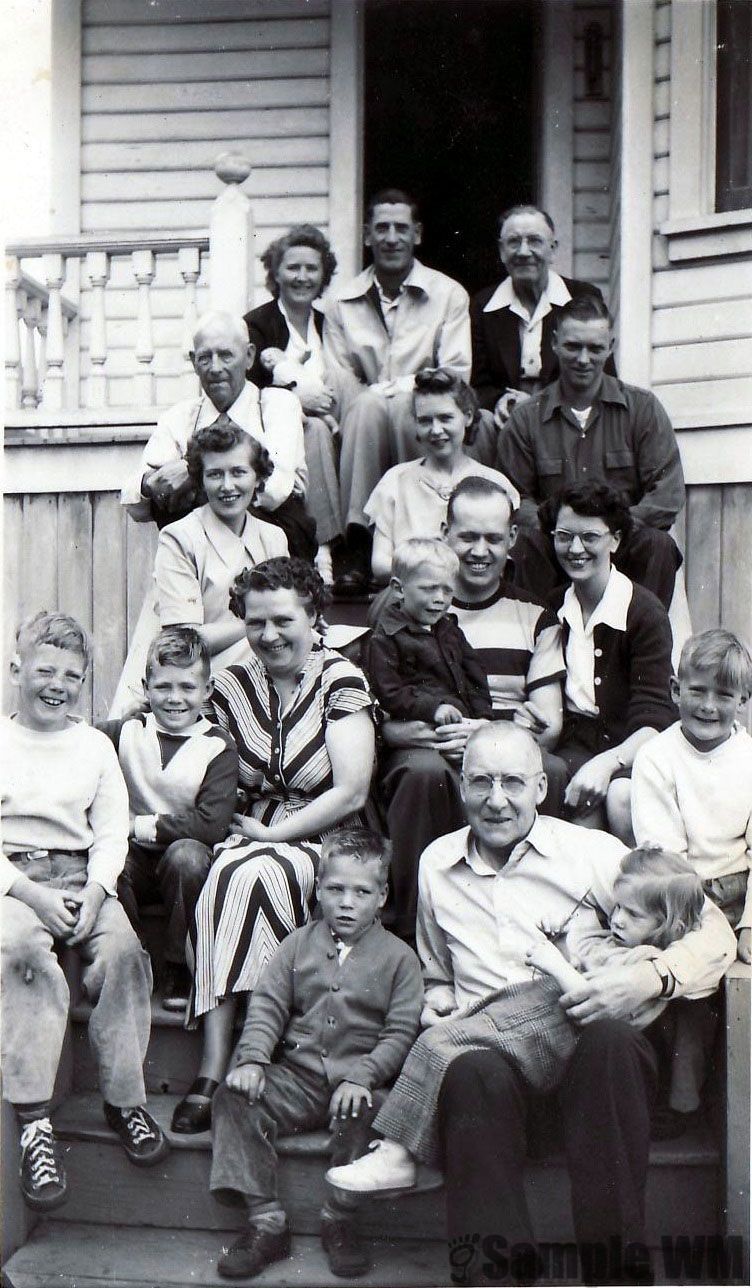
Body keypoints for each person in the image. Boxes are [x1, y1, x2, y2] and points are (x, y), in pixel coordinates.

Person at [332, 723, 736, 1286]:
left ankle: (616, 1271)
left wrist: (653, 978)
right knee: (470, 1071)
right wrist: (438, 1001)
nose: (496, 799)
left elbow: (713, 931)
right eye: (481, 783)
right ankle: (494, 1278)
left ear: (541, 787)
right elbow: (435, 969)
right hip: (495, 1080)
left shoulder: (591, 853)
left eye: (513, 782)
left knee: (612, 1041)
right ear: (463, 785)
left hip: (587, 1070)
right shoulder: (436, 863)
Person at [326, 844, 705, 1186]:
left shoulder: (646, 962)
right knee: (444, 1040)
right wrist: (561, 946)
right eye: (617, 907)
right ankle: (409, 1153)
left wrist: (555, 963)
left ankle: (397, 1155)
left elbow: (599, 1005)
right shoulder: (615, 941)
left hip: (556, 1032)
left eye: (633, 914)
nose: (618, 919)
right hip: (534, 1010)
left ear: (670, 926)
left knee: (441, 1043)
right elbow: (583, 968)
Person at [172, 558, 376, 1135]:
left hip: (322, 831)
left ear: (314, 617)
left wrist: (272, 835)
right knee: (231, 870)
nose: (269, 635)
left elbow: (352, 789)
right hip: (245, 826)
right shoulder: (232, 686)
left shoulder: (340, 680)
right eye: (255, 622)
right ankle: (219, 1063)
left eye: (283, 620)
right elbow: (192, 755)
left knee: (254, 872)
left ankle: (243, 1058)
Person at [0, 612, 169, 1215]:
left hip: (82, 877)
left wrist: (97, 894)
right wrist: (31, 895)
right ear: (17, 669)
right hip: (14, 882)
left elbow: (111, 831)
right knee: (20, 954)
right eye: (44, 670)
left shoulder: (94, 744)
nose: (58, 685)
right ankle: (34, 1121)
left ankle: (124, 1100)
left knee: (124, 954)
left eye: (72, 675)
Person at [210, 829, 422, 1281]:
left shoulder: (400, 959)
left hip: (357, 1084)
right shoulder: (296, 946)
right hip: (297, 1079)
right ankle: (266, 1222)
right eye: (336, 889)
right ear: (318, 890)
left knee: (380, 1112)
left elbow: (400, 1032)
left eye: (362, 892)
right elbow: (266, 1006)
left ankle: (339, 1218)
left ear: (382, 896)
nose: (347, 902)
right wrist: (251, 1059)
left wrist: (364, 1075)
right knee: (233, 1098)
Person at [376, 478, 567, 942]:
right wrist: (414, 731)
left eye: (494, 538)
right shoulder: (398, 610)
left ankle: (538, 919)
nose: (480, 551)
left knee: (553, 770)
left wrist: (483, 733)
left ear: (512, 540)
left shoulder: (534, 615)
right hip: (426, 739)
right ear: (445, 533)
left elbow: (548, 723)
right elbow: (378, 700)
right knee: (424, 774)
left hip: (497, 742)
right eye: (467, 537)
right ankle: (410, 930)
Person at [631, 629, 752, 1134]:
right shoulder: (657, 758)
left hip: (738, 889)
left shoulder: (748, 759)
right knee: (681, 962)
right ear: (675, 690)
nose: (708, 706)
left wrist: (747, 925)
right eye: (697, 691)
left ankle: (703, 1095)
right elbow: (665, 857)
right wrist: (695, 924)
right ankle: (679, 1095)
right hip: (679, 895)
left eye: (724, 695)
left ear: (743, 702)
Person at [323, 190, 472, 592]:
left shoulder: (448, 294)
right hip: (363, 413)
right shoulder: (342, 301)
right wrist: (377, 397)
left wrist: (403, 388)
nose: (391, 238)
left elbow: (456, 371)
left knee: (408, 405)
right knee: (369, 407)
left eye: (401, 228)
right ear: (368, 235)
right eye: (382, 228)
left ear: (417, 234)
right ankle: (358, 542)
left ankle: (416, 534)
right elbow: (339, 376)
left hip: (425, 403)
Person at [498, 293, 686, 612]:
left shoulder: (642, 409)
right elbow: (513, 499)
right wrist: (567, 530)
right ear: (555, 343)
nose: (583, 359)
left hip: (622, 545)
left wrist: (607, 530)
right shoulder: (527, 418)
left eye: (595, 348)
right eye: (573, 346)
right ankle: (540, 642)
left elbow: (666, 497)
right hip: (554, 550)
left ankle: (639, 645)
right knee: (525, 544)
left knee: (659, 545)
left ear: (610, 347)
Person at [102, 627, 238, 1012]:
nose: (175, 698)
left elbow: (210, 824)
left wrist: (136, 825)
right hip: (134, 861)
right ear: (146, 688)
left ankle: (178, 965)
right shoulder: (126, 731)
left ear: (207, 690)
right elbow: (78, 744)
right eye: (163, 687)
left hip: (181, 863)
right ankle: (134, 960)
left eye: (187, 687)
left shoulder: (218, 746)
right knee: (112, 864)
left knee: (188, 858)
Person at [112, 419, 288, 712]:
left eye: (239, 472)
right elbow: (186, 640)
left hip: (261, 661)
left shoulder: (273, 537)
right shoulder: (180, 537)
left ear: (257, 478)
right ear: (201, 481)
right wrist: (258, 624)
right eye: (215, 474)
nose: (227, 486)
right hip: (193, 676)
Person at [120, 310, 313, 558]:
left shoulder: (277, 405)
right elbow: (134, 503)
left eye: (225, 355)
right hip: (200, 560)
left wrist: (192, 473)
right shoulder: (180, 417)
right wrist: (150, 483)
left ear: (249, 357)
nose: (215, 368)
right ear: (193, 362)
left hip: (270, 554)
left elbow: (273, 490)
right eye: (204, 358)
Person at [544, 482, 676, 841]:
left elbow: (655, 718)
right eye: (564, 536)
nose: (575, 549)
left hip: (631, 751)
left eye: (589, 537)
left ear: (615, 540)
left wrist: (606, 764)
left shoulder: (643, 613)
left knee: (608, 810)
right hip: (573, 749)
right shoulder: (553, 607)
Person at [245, 226, 343, 584]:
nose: (302, 277)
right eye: (293, 267)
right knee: (315, 430)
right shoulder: (258, 323)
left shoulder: (328, 323)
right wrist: (298, 399)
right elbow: (251, 389)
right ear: (276, 273)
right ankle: (323, 547)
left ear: (323, 275)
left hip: (334, 422)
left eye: (311, 268)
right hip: (281, 431)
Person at [364, 366, 518, 584]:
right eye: (425, 420)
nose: (436, 430)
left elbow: (502, 561)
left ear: (467, 416)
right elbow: (380, 564)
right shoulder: (395, 481)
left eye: (445, 418)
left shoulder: (494, 484)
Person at [470, 204, 615, 428]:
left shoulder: (582, 297)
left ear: (553, 249)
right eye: (513, 242)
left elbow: (602, 374)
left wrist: (536, 404)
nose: (523, 251)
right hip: (505, 422)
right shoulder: (483, 305)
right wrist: (501, 400)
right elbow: (477, 384)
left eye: (534, 241)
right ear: (501, 251)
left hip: (565, 416)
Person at [364, 538, 493, 726]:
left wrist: (483, 717)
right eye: (429, 589)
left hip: (465, 725)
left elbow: (475, 675)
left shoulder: (450, 629)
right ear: (399, 589)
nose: (440, 598)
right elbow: (388, 692)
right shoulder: (386, 638)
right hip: (420, 729)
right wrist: (433, 708)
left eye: (448, 591)